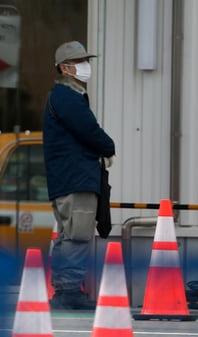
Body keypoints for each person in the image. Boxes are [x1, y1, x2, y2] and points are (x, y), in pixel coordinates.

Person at [43, 41, 116, 310]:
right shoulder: (67, 97)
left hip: (65, 179)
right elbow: (89, 130)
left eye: (87, 61)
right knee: (78, 234)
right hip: (76, 178)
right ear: (65, 67)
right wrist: (109, 146)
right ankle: (70, 290)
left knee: (67, 234)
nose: (86, 67)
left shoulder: (62, 97)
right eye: (80, 61)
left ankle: (64, 290)